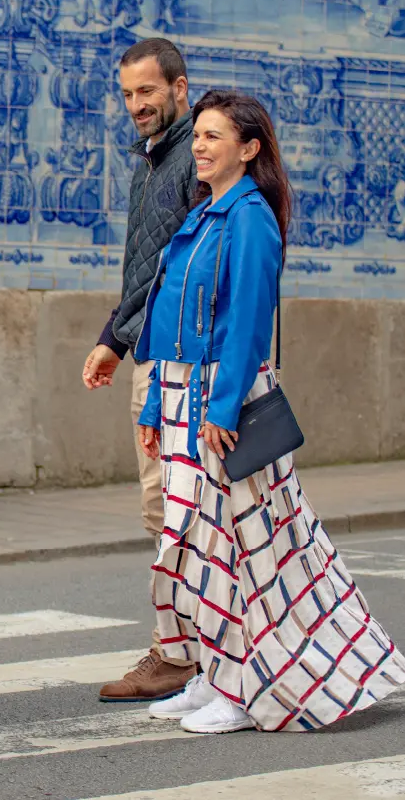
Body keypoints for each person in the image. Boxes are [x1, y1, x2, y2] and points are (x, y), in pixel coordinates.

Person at [135, 89, 405, 732]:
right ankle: (215, 674)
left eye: (214, 136)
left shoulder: (249, 218)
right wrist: (151, 402)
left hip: (218, 403)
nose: (199, 146)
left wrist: (222, 408)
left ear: (248, 149)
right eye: (197, 134)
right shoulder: (204, 215)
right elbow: (168, 317)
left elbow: (249, 324)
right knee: (197, 545)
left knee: (240, 548)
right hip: (179, 396)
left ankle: (245, 690)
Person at [81, 37, 199, 703]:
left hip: (176, 355)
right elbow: (145, 263)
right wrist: (117, 339)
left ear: (178, 87)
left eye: (146, 91)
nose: (135, 105)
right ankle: (188, 643)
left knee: (171, 507)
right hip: (150, 347)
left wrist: (116, 338)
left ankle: (179, 650)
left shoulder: (190, 157)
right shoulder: (149, 159)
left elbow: (175, 268)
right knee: (166, 509)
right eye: (127, 93)